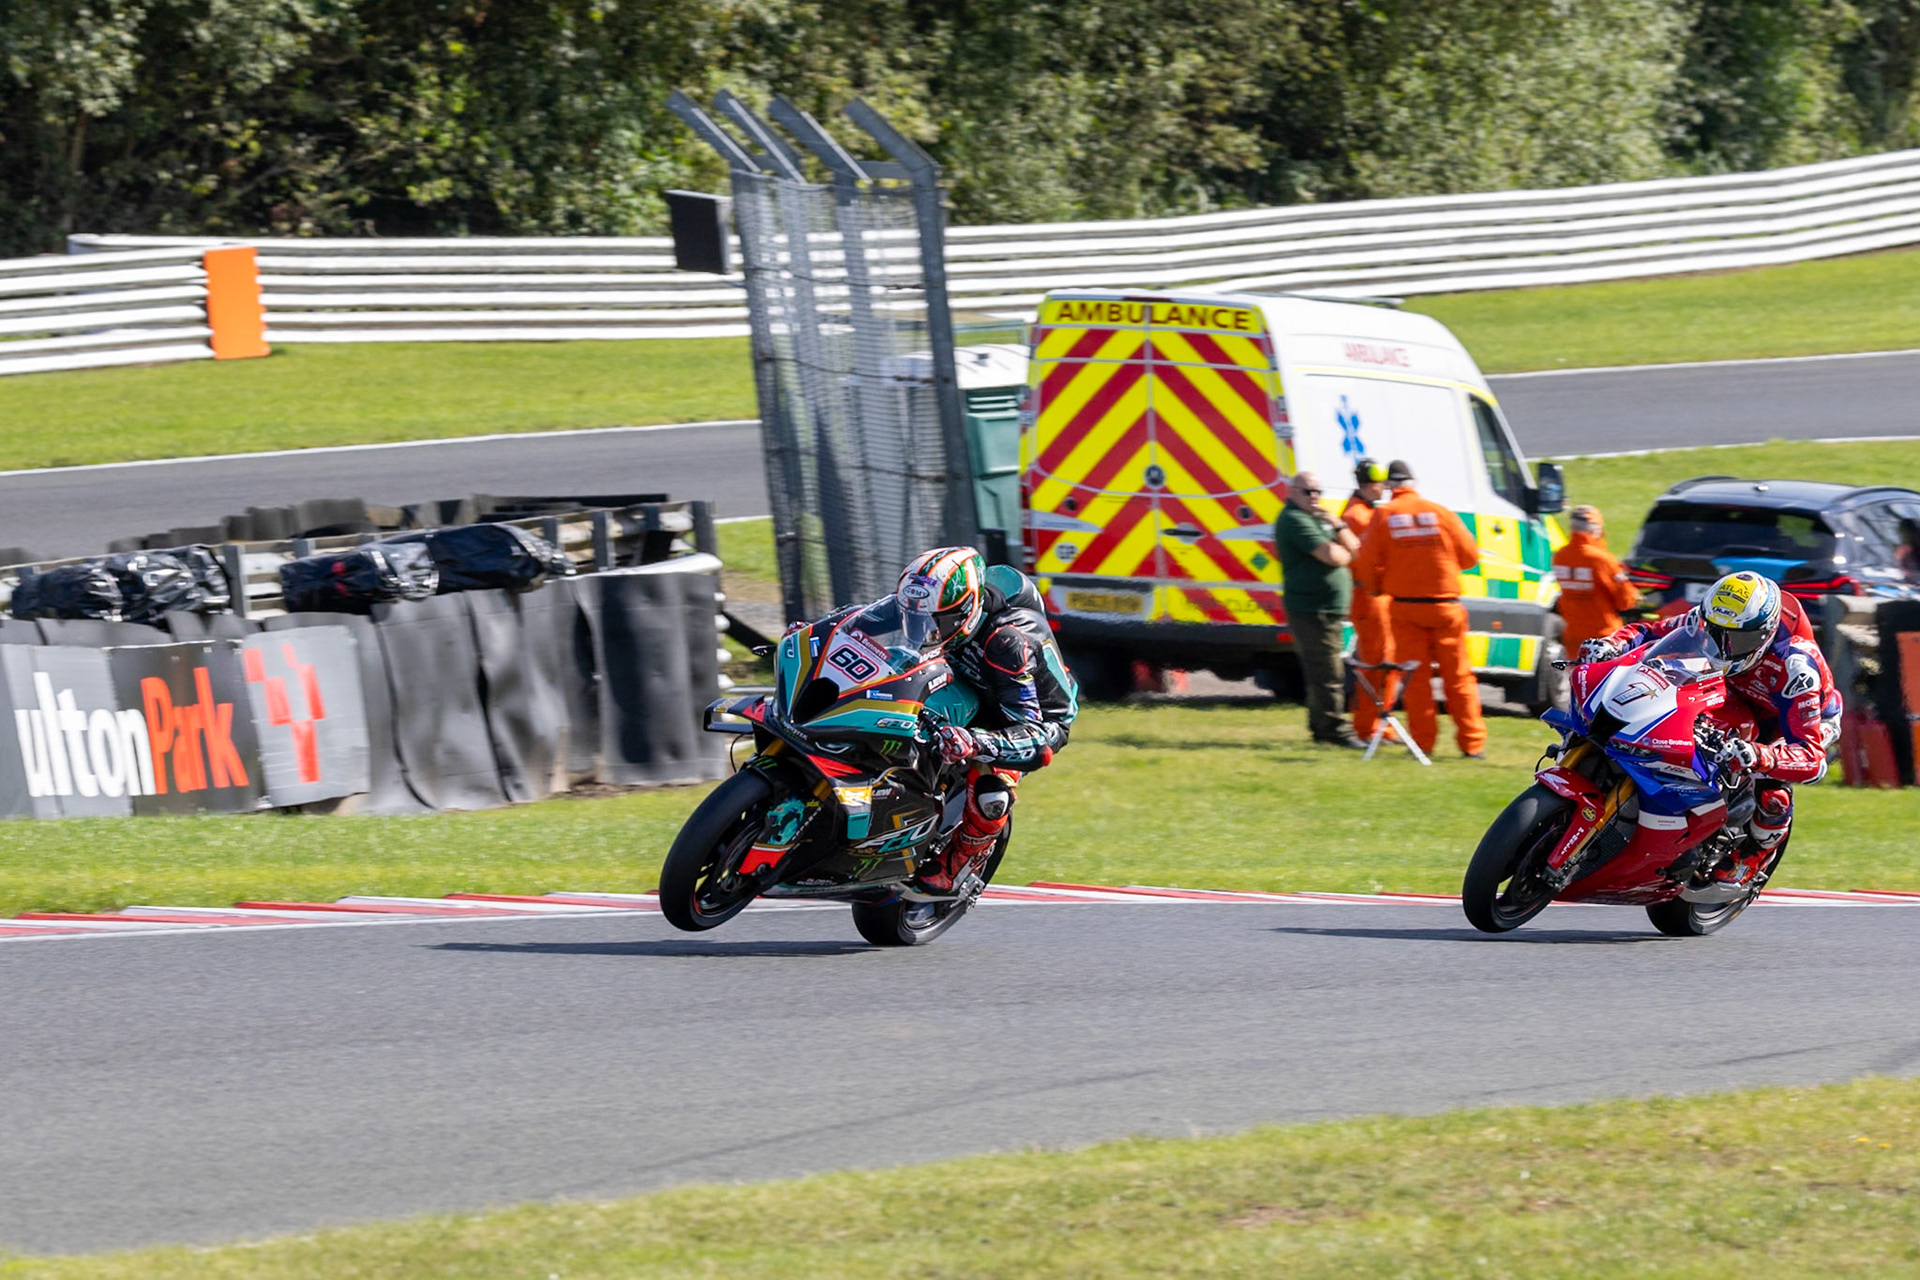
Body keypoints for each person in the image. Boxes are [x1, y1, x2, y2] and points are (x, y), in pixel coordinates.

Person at [1581, 570, 1838, 886]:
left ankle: (1758, 852)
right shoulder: (1709, 621)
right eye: (1715, 633)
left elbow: (1811, 758)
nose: (1723, 646)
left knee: (1771, 789)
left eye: (1737, 640)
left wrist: (1760, 756)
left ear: (1764, 634)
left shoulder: (1797, 665)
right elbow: (1649, 633)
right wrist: (1611, 644)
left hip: (1790, 716)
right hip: (1733, 690)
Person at [893, 547, 1080, 893]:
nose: (926, 628)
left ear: (969, 609)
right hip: (970, 681)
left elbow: (1034, 733)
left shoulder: (1006, 643)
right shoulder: (940, 602)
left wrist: (977, 742)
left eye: (939, 620)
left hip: (1026, 718)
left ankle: (962, 861)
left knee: (990, 793)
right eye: (917, 616)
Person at [1352, 459, 1487, 759]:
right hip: (1446, 606)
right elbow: (1469, 557)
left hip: (1406, 609)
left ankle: (1423, 744)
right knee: (1460, 677)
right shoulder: (1439, 511)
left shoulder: (1384, 515)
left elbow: (1366, 562)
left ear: (1389, 487)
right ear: (1413, 483)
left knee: (1416, 681)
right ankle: (1472, 744)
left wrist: (1377, 587)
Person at [1274, 469, 1366, 748]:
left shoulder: (1319, 519)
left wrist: (1337, 525)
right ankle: (1334, 730)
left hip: (1327, 607)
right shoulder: (1294, 519)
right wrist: (1342, 551)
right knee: (1329, 673)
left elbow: (1355, 549)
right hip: (1312, 608)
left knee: (1324, 671)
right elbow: (1331, 555)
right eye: (1307, 491)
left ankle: (1322, 726)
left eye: (1317, 491)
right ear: (1292, 493)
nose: (1314, 497)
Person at [1341, 459, 1396, 741]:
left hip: (1376, 597)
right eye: (1381, 483)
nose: (1385, 488)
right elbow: (1372, 560)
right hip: (1369, 597)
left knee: (1385, 663)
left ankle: (1380, 723)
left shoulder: (1363, 512)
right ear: (1369, 484)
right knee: (1376, 664)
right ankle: (1367, 727)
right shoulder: (1359, 516)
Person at [1551, 504, 1640, 655]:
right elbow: (1625, 601)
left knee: (1577, 675)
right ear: (1595, 529)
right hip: (1603, 635)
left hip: (1573, 635)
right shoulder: (1601, 559)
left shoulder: (1560, 556)